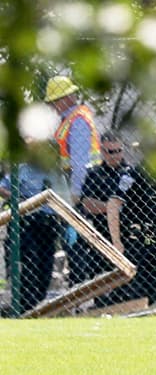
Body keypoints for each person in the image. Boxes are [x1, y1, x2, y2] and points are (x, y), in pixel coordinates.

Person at [47, 74, 101, 286]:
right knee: (73, 239)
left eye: (54, 101)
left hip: (82, 186)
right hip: (75, 184)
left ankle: (80, 284)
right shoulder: (69, 120)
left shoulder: (77, 121)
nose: (52, 106)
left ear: (64, 99)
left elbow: (80, 162)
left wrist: (75, 194)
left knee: (76, 240)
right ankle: (79, 283)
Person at [107, 156, 156, 306]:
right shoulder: (133, 175)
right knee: (135, 296)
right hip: (137, 245)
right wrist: (116, 242)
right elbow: (113, 205)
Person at [0, 149, 64, 314]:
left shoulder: (56, 173)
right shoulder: (23, 169)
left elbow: (65, 198)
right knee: (30, 263)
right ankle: (25, 306)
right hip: (28, 223)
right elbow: (2, 188)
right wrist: (20, 199)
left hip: (49, 225)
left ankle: (39, 305)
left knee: (46, 266)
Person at [76, 131, 131, 299]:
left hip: (128, 235)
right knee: (101, 281)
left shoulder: (131, 173)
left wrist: (108, 206)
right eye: (110, 151)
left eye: (118, 151)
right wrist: (113, 207)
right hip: (102, 235)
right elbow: (87, 204)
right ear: (102, 151)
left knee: (127, 284)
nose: (114, 156)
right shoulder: (94, 174)